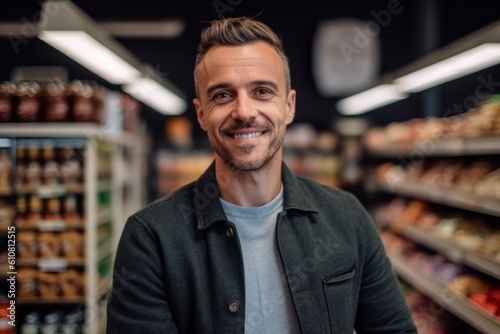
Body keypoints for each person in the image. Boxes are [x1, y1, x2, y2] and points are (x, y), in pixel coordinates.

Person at [106, 16, 417, 334]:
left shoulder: (346, 218)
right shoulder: (151, 239)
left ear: (289, 106)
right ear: (201, 114)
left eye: (262, 91)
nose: (243, 111)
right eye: (223, 95)